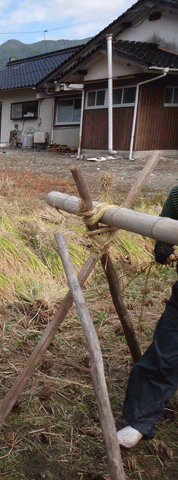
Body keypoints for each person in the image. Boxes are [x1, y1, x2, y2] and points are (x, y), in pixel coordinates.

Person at [117, 185, 178, 449]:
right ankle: (139, 421)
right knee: (166, 351)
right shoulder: (177, 194)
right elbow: (165, 226)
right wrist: (164, 248)